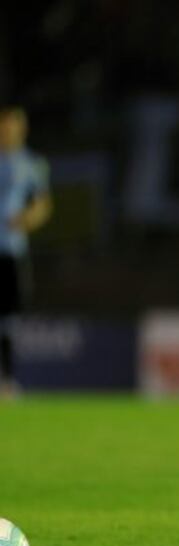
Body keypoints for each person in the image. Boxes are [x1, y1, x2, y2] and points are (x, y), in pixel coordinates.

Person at [0, 107, 51, 398]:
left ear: (21, 129)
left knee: (9, 318)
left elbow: (42, 205)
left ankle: (6, 379)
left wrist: (28, 218)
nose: (7, 131)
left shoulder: (32, 164)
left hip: (12, 250)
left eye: (12, 126)